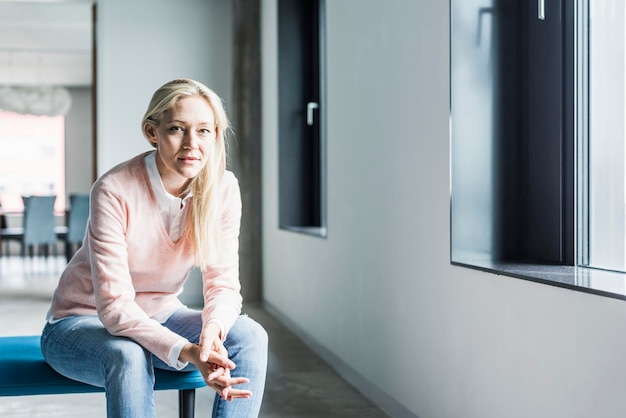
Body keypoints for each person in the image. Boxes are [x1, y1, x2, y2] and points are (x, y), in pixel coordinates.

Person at [41, 78, 268, 418]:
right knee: (128, 354)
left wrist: (211, 334)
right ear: (152, 131)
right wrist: (187, 351)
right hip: (79, 322)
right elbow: (116, 308)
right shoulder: (115, 189)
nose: (192, 143)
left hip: (160, 314)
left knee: (249, 335)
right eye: (178, 129)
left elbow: (223, 285)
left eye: (204, 131)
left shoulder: (223, 188)